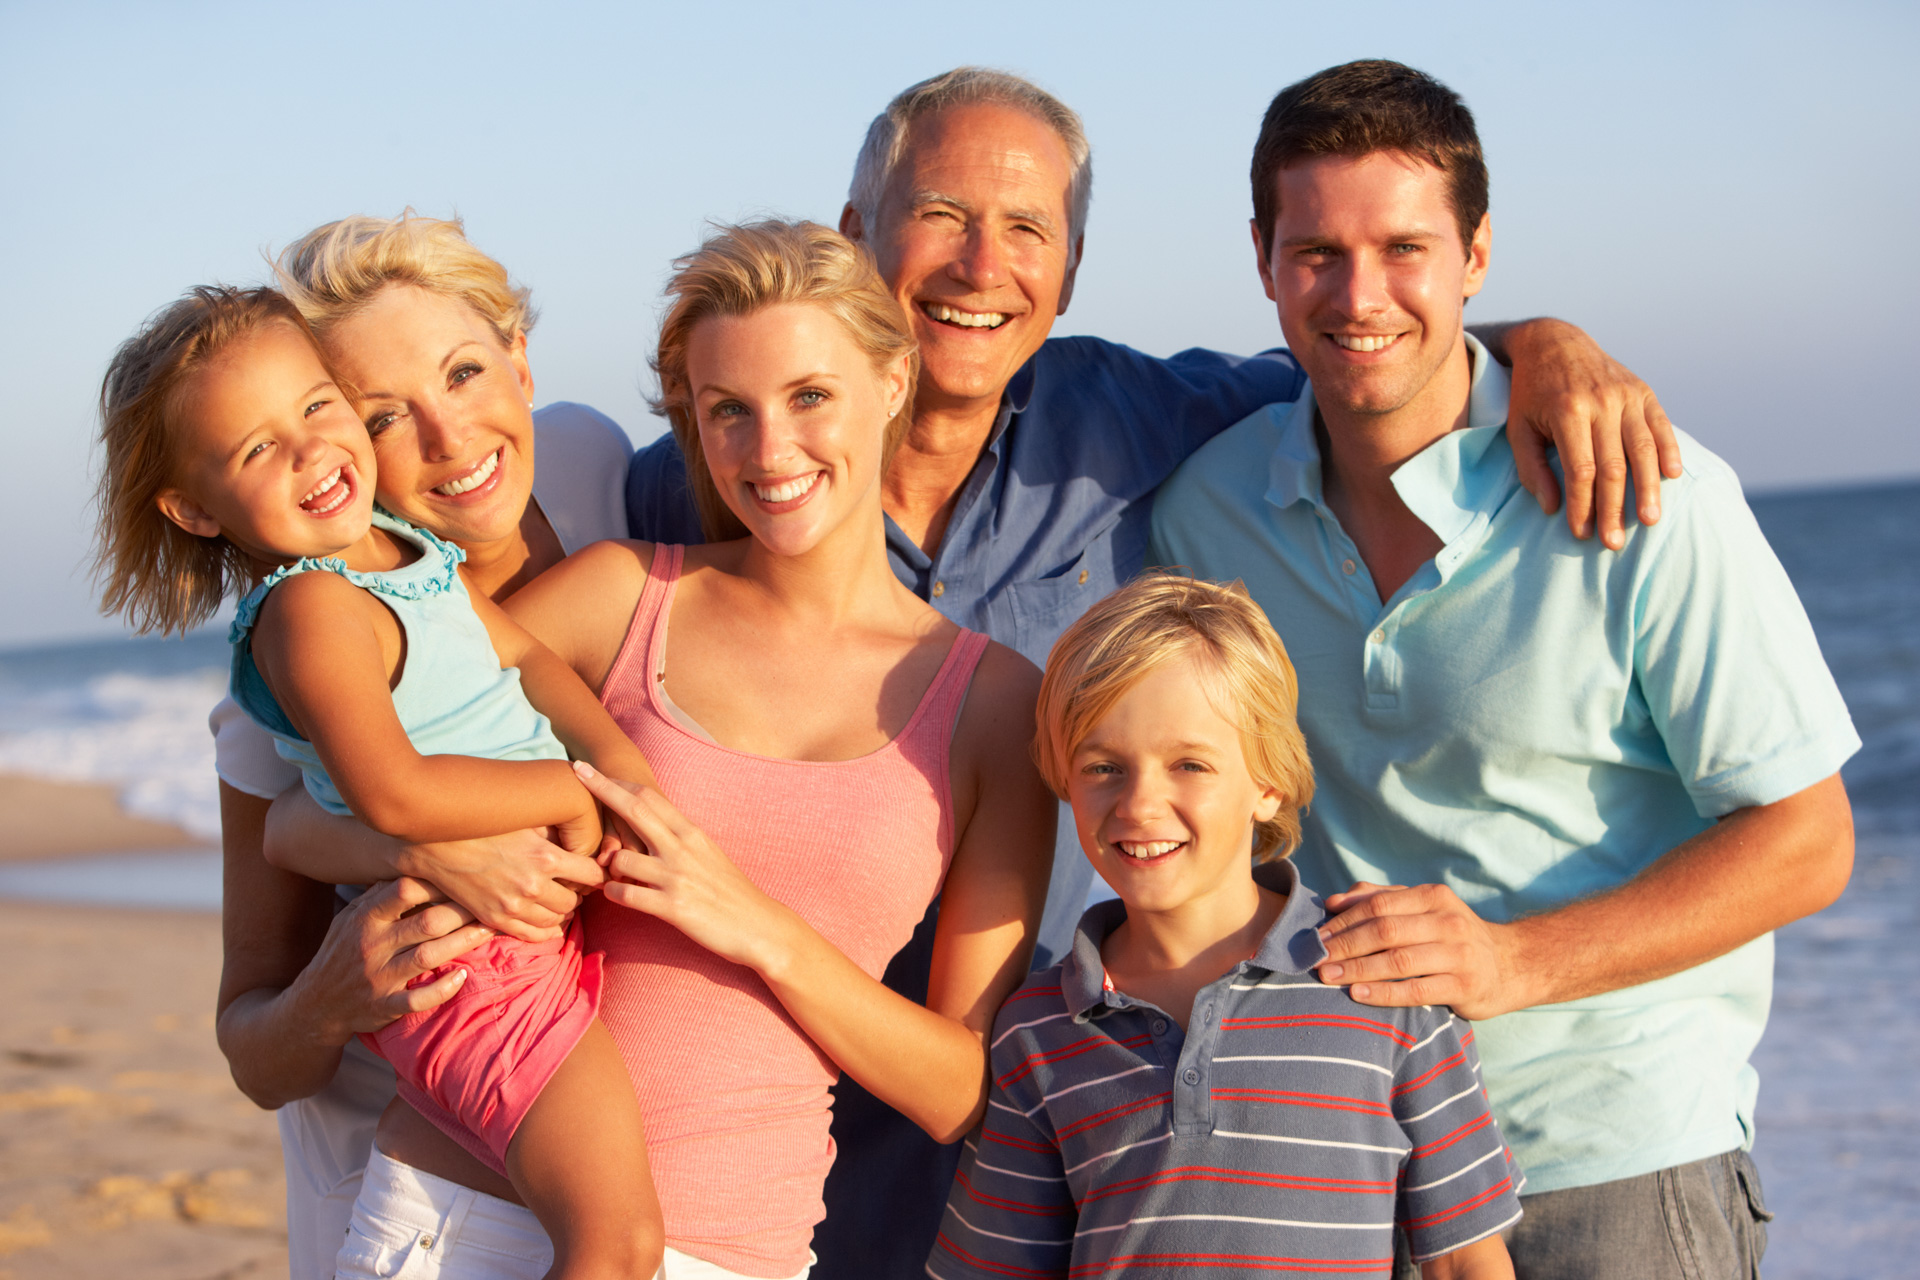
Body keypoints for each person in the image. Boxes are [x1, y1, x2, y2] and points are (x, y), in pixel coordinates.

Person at [623, 68, 1688, 1277]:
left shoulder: (1134, 420)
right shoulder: (711, 469)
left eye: (1028, 228)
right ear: (855, 233)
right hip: (790, 1168)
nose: (983, 266)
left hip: (1114, 1132)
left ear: (1070, 270)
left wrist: (1542, 348)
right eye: (941, 215)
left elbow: (1364, 343)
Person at [1150, 60, 1858, 1277]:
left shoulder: (1650, 495)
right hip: (1349, 1152)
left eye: (1405, 248)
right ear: (1263, 259)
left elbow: (1808, 839)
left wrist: (1514, 961)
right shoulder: (1205, 515)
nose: (1359, 294)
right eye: (1316, 251)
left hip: (1617, 1157)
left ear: (1477, 256)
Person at [247, 218, 1057, 1277]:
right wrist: (420, 847)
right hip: (463, 1215)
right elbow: (308, 811)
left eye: (810, 395)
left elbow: (960, 1090)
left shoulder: (996, 702)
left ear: (894, 378)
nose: (770, 451)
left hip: (734, 1243)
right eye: (728, 410)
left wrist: (756, 924)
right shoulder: (622, 596)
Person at [92, 283, 664, 1279]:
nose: (314, 449)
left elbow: (528, 660)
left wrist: (617, 762)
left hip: (518, 941)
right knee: (615, 1243)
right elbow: (392, 792)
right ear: (193, 507)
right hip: (464, 965)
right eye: (258, 448)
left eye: (317, 405)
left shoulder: (413, 555)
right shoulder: (310, 610)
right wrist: (574, 794)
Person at [928, 572, 1521, 1280]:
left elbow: (1463, 1264)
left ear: (1267, 782)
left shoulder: (1391, 985)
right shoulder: (1037, 1030)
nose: (1141, 804)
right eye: (1104, 766)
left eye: (1190, 764)